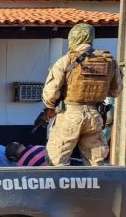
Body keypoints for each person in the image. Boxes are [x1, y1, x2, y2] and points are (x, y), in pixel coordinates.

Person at [42, 23, 123, 166]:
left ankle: (61, 189)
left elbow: (51, 93)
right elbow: (116, 91)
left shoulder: (66, 60)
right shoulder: (109, 60)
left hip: (69, 114)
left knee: (56, 162)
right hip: (95, 115)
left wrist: (50, 107)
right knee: (96, 163)